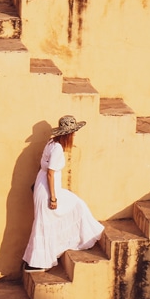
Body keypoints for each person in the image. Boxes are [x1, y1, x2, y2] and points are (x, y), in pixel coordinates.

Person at [23, 115, 104, 272]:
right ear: (67, 134)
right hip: (48, 189)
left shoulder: (51, 143)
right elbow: (50, 174)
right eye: (73, 133)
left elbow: (45, 170)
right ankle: (35, 263)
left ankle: (39, 259)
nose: (74, 136)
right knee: (46, 222)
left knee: (69, 208)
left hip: (43, 186)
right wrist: (53, 198)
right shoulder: (58, 149)